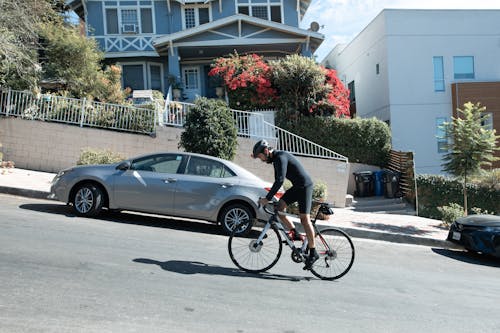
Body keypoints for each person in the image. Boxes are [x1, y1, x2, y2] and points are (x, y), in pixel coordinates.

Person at [251, 139, 319, 270]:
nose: (262, 160)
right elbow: (278, 180)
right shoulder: (275, 159)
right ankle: (295, 233)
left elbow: (280, 181)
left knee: (305, 219)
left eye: (261, 157)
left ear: (266, 151)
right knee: (279, 208)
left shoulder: (280, 157)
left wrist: (267, 198)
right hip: (297, 187)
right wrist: (254, 155)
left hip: (305, 187)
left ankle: (313, 252)